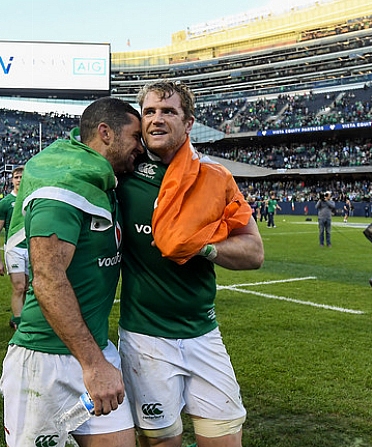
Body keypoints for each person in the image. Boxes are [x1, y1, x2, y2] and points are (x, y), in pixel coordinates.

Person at [117, 80, 264, 447]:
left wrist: (202, 244)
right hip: (145, 338)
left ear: (188, 122)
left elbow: (254, 252)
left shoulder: (216, 179)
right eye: (149, 111)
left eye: (168, 111)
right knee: (162, 442)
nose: (156, 119)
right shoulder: (120, 178)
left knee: (225, 440)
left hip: (203, 334)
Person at [0, 97, 143, 447]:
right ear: (106, 133)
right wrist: (93, 365)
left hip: (94, 349)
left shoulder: (101, 181)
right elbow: (48, 277)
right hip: (45, 360)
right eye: (136, 137)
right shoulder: (62, 183)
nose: (142, 148)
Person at [0, 166, 28, 330]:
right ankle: (19, 323)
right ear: (12, 180)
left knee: (28, 288)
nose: (19, 179)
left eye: (22, 176)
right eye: (16, 177)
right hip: (15, 249)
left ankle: (20, 317)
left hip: (32, 249)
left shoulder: (32, 199)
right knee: (19, 287)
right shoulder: (5, 203)